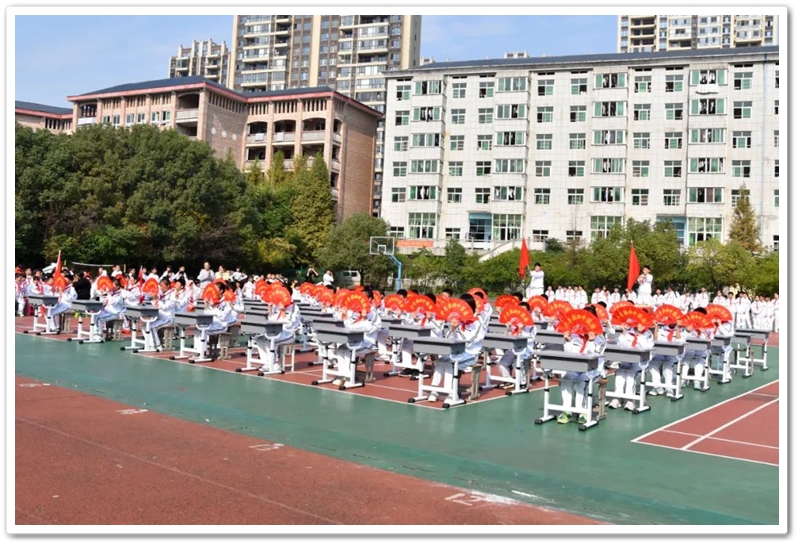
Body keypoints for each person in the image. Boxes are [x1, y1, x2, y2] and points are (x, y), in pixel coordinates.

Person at [427, 294, 486, 404]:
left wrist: (457, 329)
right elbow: (447, 339)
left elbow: (469, 343)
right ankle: (434, 391)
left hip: (470, 354)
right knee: (440, 361)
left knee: (450, 363)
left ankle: (451, 394)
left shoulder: (477, 323)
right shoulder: (457, 321)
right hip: (455, 352)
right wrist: (453, 329)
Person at [557, 308, 606, 425]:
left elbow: (594, 356)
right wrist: (568, 341)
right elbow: (569, 353)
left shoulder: (600, 339)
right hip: (576, 367)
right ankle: (567, 411)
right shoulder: (575, 335)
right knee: (566, 379)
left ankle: (583, 412)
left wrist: (591, 341)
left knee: (581, 382)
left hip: (593, 370)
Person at [608, 322, 654, 411]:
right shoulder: (628, 332)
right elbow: (621, 344)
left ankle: (630, 400)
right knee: (620, 374)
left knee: (630, 375)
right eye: (638, 323)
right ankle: (617, 398)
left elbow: (647, 347)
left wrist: (639, 335)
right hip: (626, 360)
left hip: (639, 362)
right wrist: (624, 332)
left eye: (642, 324)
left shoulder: (647, 334)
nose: (640, 326)